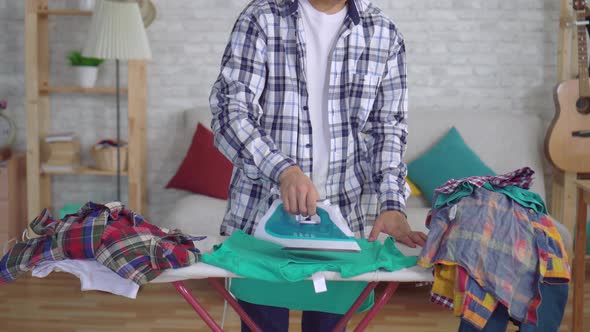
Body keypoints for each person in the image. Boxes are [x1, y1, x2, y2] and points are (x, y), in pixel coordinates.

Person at [209, 0, 427, 330]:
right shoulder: (262, 19)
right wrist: (284, 170)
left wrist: (393, 204)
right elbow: (230, 114)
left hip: (345, 228)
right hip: (263, 227)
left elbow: (388, 130)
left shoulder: (384, 33)